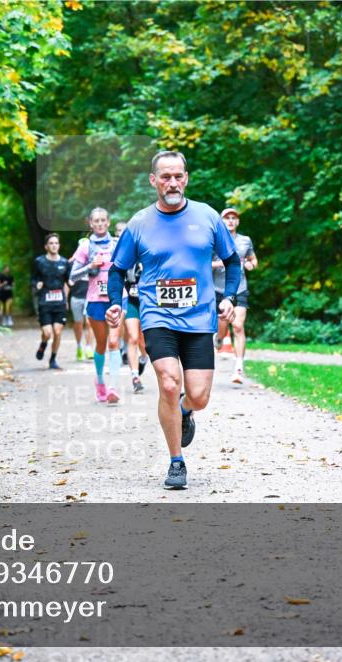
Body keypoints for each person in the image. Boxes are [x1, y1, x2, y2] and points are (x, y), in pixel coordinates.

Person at [107, 150, 241, 489]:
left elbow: (233, 262)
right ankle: (176, 461)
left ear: (186, 178)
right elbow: (117, 269)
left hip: (198, 319)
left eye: (178, 175)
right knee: (169, 383)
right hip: (157, 314)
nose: (172, 182)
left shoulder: (207, 216)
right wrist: (114, 303)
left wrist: (229, 298)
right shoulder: (139, 223)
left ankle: (184, 411)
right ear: (153, 181)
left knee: (198, 396)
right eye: (165, 176)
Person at [70, 207, 122, 405]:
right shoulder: (85, 247)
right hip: (95, 300)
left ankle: (114, 387)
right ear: (90, 223)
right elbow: (72, 276)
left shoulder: (117, 245)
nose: (100, 224)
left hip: (117, 298)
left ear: (108, 222)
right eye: (96, 221)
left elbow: (129, 268)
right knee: (101, 344)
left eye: (103, 220)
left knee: (114, 342)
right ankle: (100, 381)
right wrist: (91, 266)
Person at [219, 208, 256, 382]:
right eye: (227, 218)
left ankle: (239, 368)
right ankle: (219, 339)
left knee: (238, 326)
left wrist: (251, 265)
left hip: (239, 288)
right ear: (222, 221)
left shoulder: (245, 241)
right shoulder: (214, 239)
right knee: (222, 326)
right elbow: (202, 262)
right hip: (218, 288)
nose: (231, 221)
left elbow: (253, 259)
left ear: (238, 221)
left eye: (234, 218)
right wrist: (218, 264)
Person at [114, 222, 148, 394]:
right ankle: (135, 376)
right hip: (131, 301)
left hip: (148, 302)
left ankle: (144, 358)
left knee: (145, 343)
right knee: (133, 338)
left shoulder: (148, 251)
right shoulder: (121, 255)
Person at [32, 234, 69, 370]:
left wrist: (66, 299)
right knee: (47, 333)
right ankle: (43, 344)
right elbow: (33, 279)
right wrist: (37, 285)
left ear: (59, 245)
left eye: (56, 243)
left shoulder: (64, 263)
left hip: (59, 303)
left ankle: (53, 359)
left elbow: (67, 282)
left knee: (57, 332)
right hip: (45, 303)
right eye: (51, 243)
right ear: (46, 246)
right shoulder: (39, 262)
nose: (54, 245)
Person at [67, 238, 94, 361]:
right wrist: (64, 300)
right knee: (78, 323)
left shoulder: (94, 264)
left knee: (89, 323)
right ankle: (79, 346)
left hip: (90, 297)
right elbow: (66, 282)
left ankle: (88, 348)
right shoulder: (72, 264)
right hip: (76, 297)